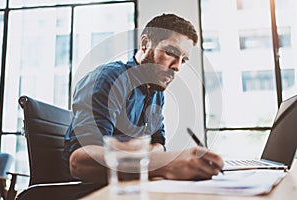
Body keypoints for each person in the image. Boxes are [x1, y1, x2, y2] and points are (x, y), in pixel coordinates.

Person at [62, 13, 224, 191]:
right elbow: (79, 162)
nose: (177, 66)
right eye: (171, 52)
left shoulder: (156, 92)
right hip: (93, 191)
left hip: (131, 186)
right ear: (145, 44)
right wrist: (165, 164)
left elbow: (159, 144)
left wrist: (147, 157)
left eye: (183, 60)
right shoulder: (109, 78)